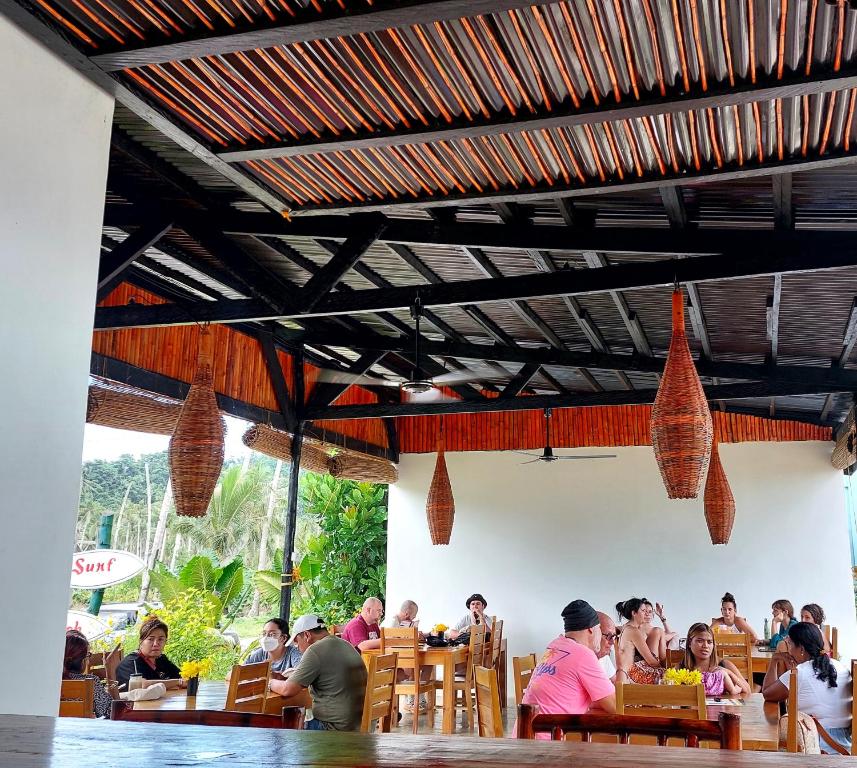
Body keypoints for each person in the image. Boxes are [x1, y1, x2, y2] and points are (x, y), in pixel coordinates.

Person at [521, 599, 615, 735]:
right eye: (600, 629)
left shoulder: (555, 645)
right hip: (549, 746)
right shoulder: (583, 655)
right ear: (591, 628)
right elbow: (615, 705)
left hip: (525, 737)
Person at [762, 622, 852, 753]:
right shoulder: (842, 667)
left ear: (802, 649)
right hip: (845, 746)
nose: (789, 650)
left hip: (813, 745)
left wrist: (774, 660)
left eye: (791, 644)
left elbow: (767, 693)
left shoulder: (800, 672)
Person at [269, 614, 367, 731]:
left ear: (307, 635)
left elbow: (287, 690)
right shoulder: (345, 644)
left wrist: (270, 682)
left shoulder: (315, 650)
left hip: (331, 728)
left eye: (297, 642)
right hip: (354, 725)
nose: (297, 647)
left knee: (279, 733)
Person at [679, 622, 750, 697]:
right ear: (690, 643)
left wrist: (729, 673)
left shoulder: (724, 664)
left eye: (709, 642)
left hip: (724, 708)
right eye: (700, 641)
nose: (705, 646)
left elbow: (748, 691)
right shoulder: (682, 667)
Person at [115, 615, 183, 690]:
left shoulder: (161, 659)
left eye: (160, 639)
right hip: (132, 701)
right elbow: (143, 685)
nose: (156, 644)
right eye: (151, 639)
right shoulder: (131, 662)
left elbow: (183, 677)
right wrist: (178, 682)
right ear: (141, 641)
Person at [227, 618, 302, 682]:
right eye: (264, 633)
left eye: (272, 634)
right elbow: (232, 676)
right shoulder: (259, 654)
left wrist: (275, 675)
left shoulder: (293, 653)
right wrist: (261, 672)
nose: (266, 637)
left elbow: (301, 674)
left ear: (283, 638)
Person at [62, 630, 112, 718]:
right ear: (82, 660)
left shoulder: (53, 681)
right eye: (88, 655)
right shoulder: (91, 682)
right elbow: (108, 712)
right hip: (84, 730)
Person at [616, 597, 664, 684]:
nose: (645, 614)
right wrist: (665, 669)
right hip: (634, 674)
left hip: (629, 672)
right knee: (670, 677)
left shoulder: (626, 627)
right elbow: (651, 662)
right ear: (634, 613)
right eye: (643, 611)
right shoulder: (633, 631)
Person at [596, 611, 618, 683]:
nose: (612, 642)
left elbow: (616, 683)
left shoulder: (603, 657)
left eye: (613, 636)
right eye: (609, 636)